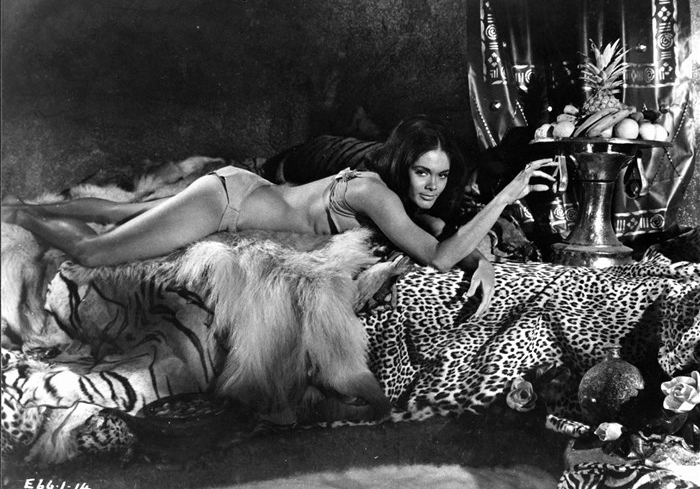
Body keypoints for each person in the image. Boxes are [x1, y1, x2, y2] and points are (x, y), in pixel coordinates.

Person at [2, 115, 556, 315]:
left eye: (441, 175)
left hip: (238, 191)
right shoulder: (375, 194)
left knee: (124, 211)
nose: (433, 186)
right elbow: (437, 256)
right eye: (422, 173)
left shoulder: (392, 196)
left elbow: (444, 236)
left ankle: (20, 205)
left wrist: (483, 261)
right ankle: (22, 220)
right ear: (402, 167)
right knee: (93, 251)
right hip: (225, 204)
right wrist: (505, 198)